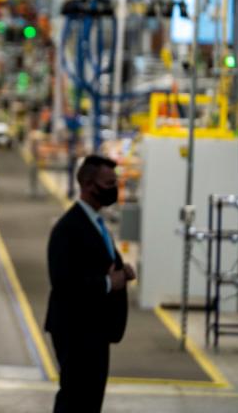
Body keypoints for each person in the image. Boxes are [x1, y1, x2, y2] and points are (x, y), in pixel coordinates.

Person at [45, 154, 137, 413]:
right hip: (76, 328)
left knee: (91, 399)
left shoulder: (97, 223)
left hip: (95, 329)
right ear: (88, 185)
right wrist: (108, 283)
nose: (114, 189)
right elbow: (63, 283)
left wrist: (121, 271)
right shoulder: (67, 228)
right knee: (75, 397)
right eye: (109, 183)